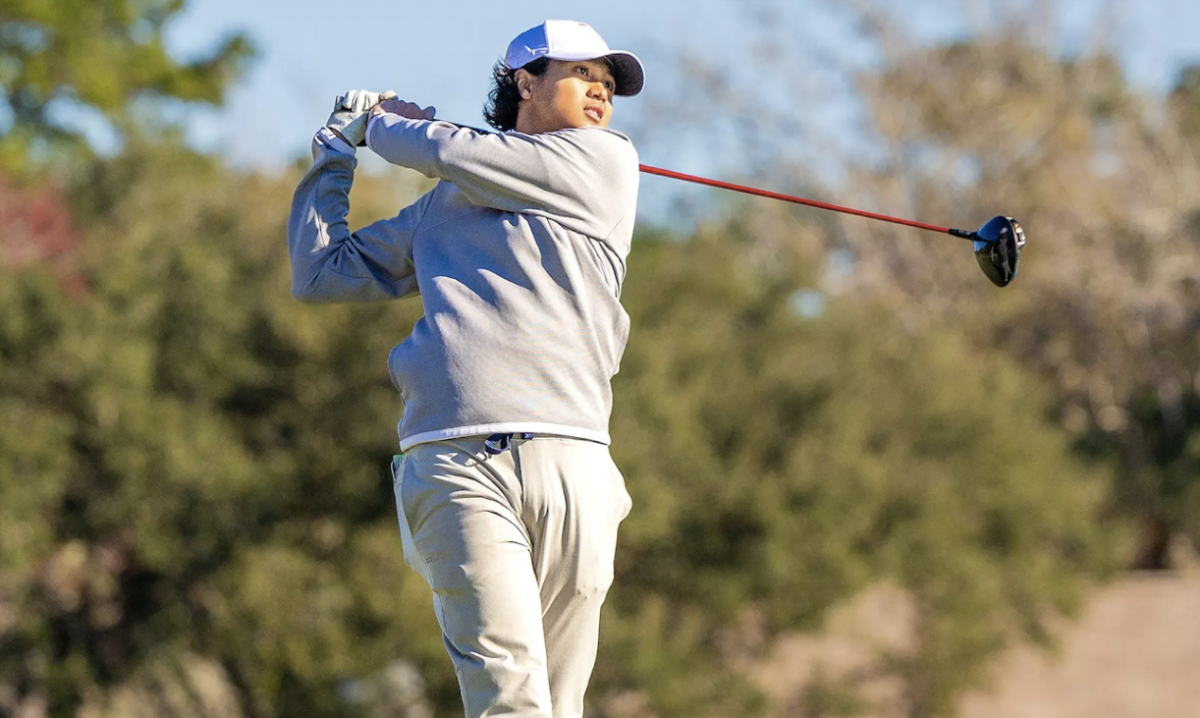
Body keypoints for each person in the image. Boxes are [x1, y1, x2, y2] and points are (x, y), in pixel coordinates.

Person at [287, 19, 645, 718]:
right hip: (454, 461)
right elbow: (321, 274)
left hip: (574, 459)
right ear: (525, 81)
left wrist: (383, 123)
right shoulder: (442, 205)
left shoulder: (604, 162)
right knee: (510, 696)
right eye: (582, 77)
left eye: (608, 85)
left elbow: (440, 146)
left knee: (561, 703)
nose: (601, 95)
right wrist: (335, 155)